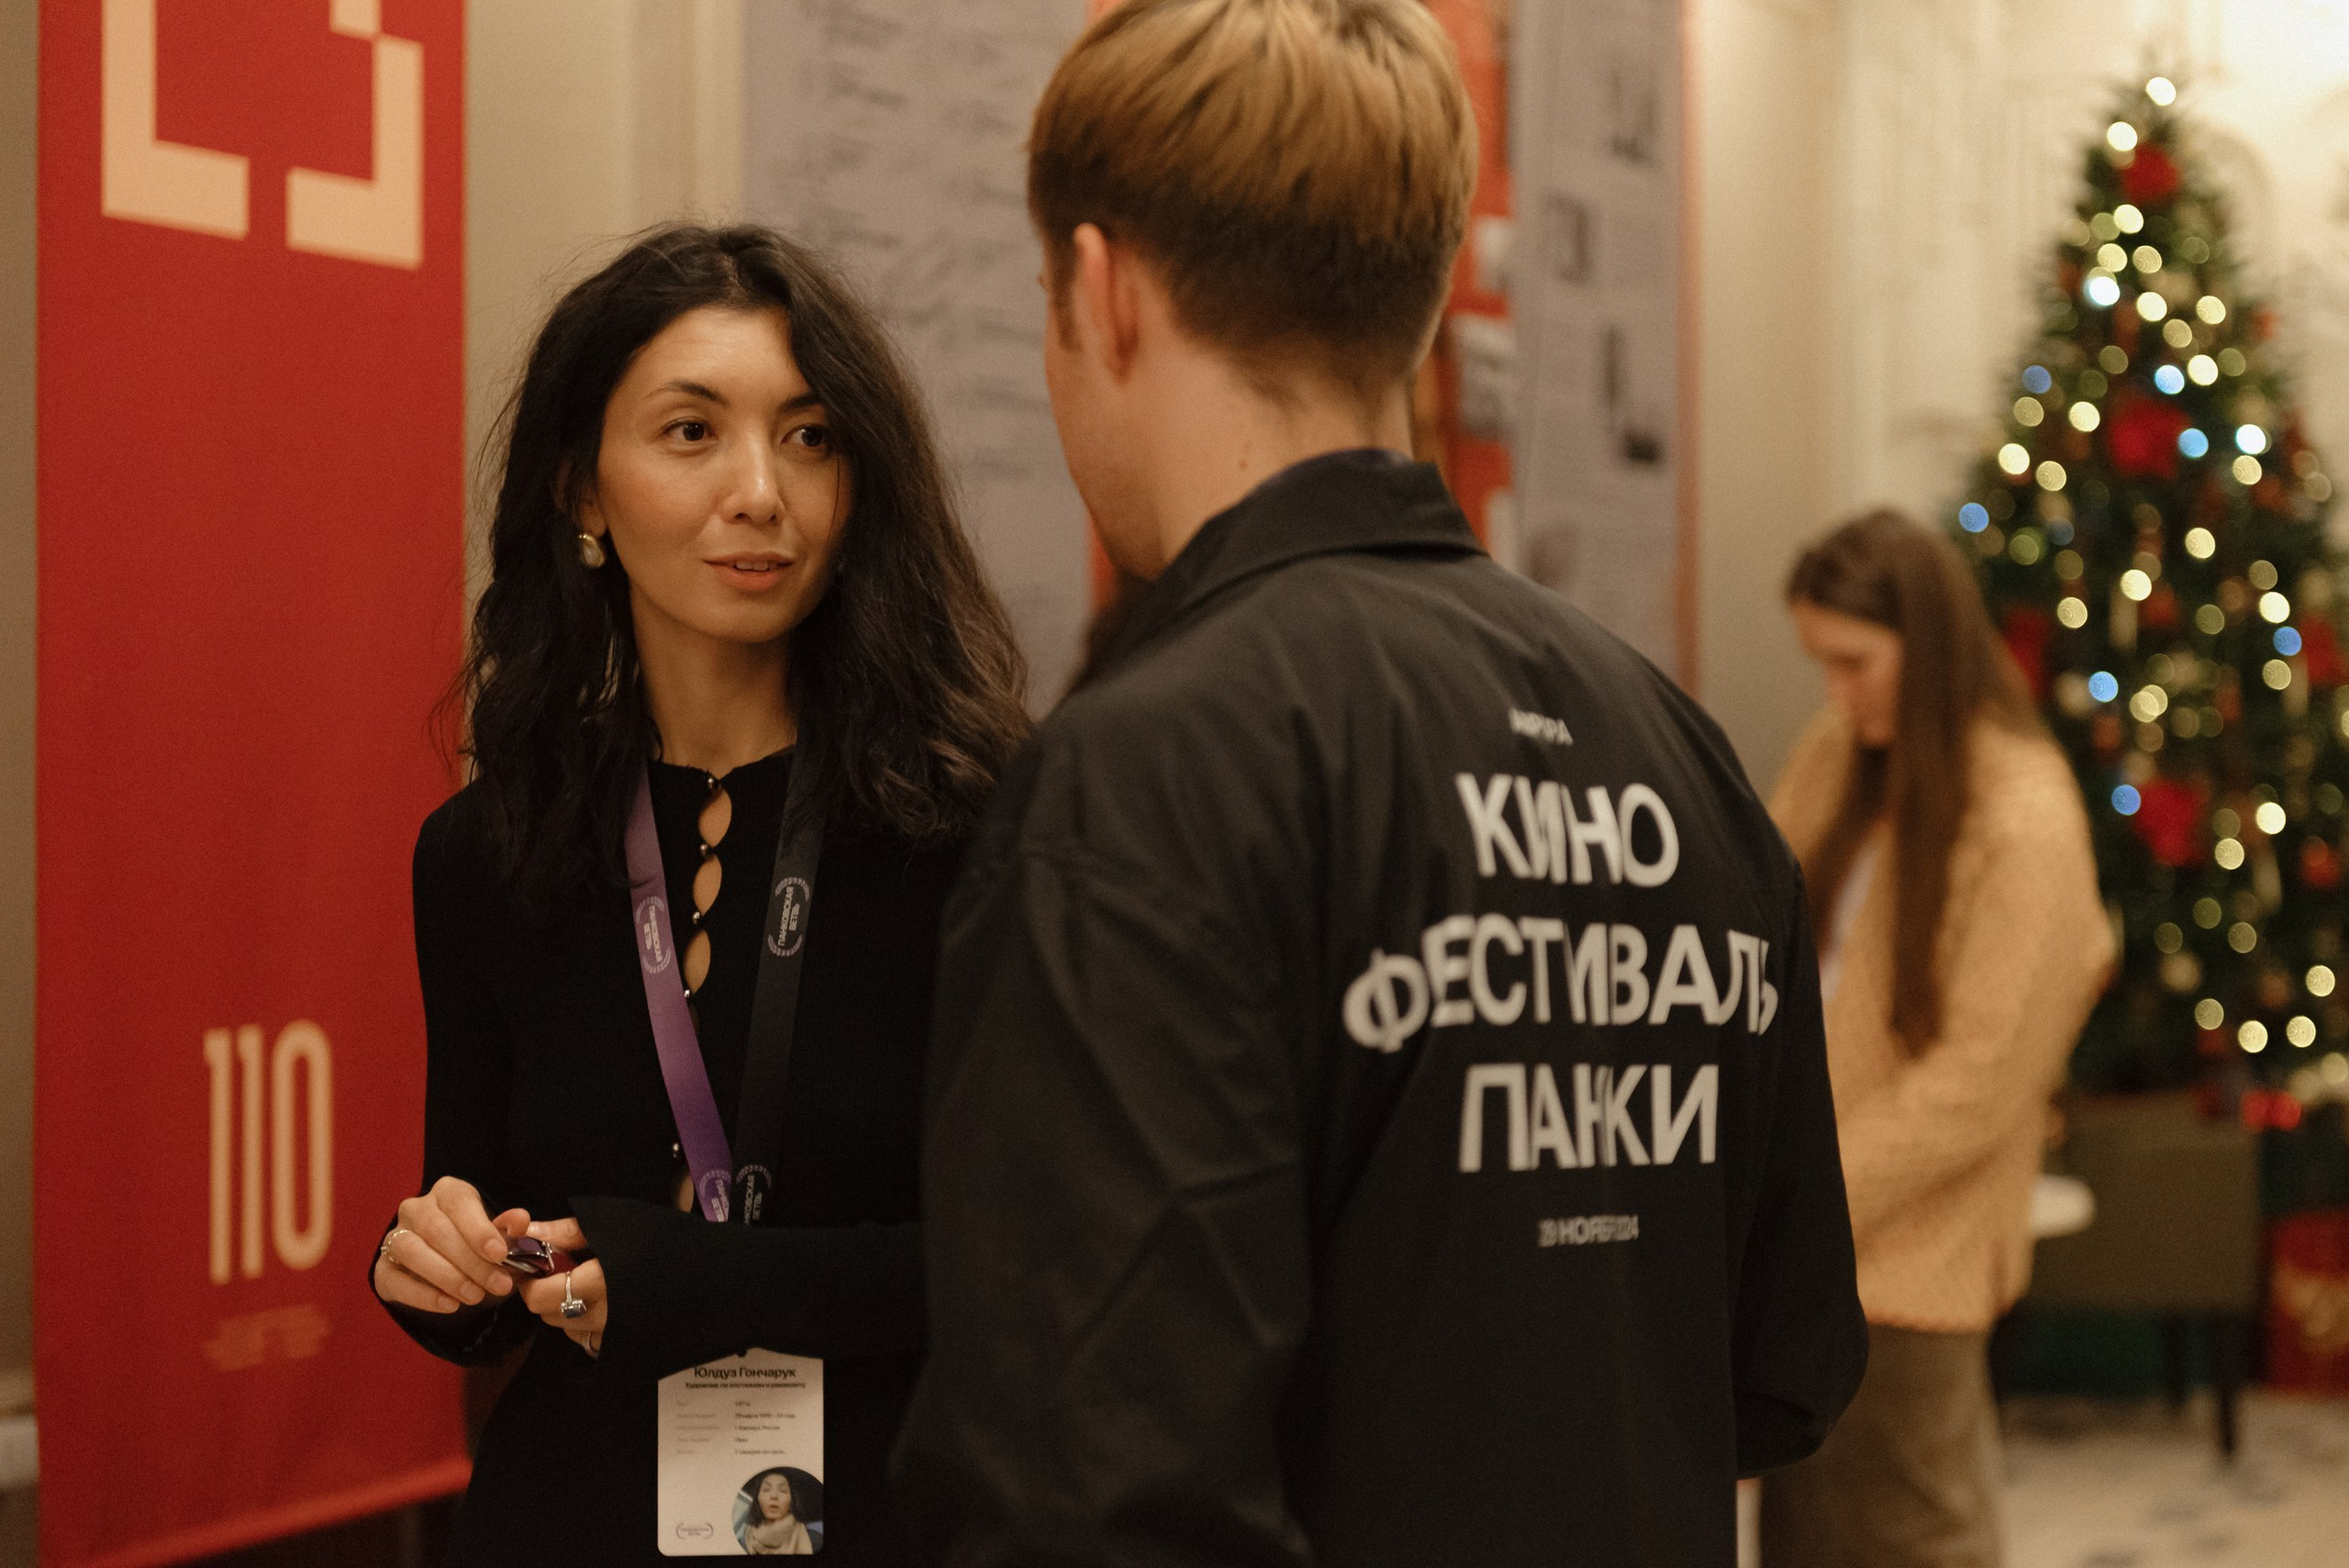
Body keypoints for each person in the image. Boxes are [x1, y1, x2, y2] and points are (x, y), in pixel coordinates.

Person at [895, 4, 1869, 1564]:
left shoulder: (1140, 782)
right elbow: (1783, 1366)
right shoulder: (1677, 751)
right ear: (1416, 305)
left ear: (1103, 290)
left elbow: (1088, 1490)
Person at [367, 224, 1029, 1566]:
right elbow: (494, 1252)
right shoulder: (489, 850)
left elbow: (1028, 1255)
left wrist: (702, 1283)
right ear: (583, 491)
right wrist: (441, 1271)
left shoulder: (974, 828)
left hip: (898, 1515)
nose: (761, 492)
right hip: (571, 1518)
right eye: (691, 433)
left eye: (809, 437)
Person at [1760, 511, 2112, 1568]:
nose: (1835, 692)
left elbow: (1978, 1085)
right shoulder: (1842, 750)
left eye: (1854, 662)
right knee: (1807, 1531)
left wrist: (1809, 1197)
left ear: (1928, 639)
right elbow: (1760, 910)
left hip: (1913, 1256)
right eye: (1819, 664)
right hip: (1815, 1238)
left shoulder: (2023, 815)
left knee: (1913, 1528)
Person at [740, 1468, 820, 1555]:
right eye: (766, 1489)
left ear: (791, 1502)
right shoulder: (745, 1541)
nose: (774, 1496)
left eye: (783, 1490)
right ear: (757, 1499)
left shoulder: (815, 1541)